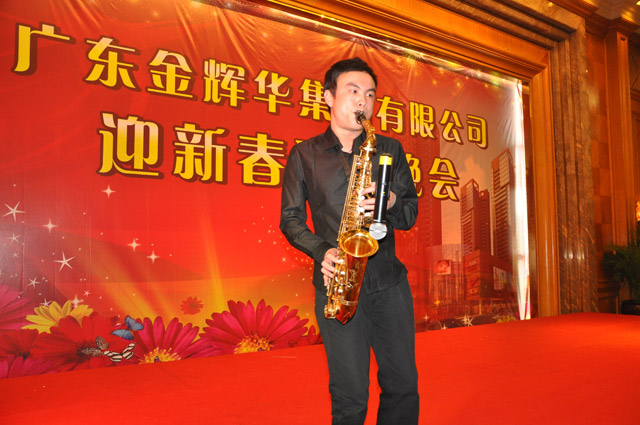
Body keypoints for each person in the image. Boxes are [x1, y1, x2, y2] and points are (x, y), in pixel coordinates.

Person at [280, 57, 419, 424]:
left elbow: (409, 213)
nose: (363, 101)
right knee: (350, 394)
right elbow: (290, 220)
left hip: (390, 284)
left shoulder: (389, 149)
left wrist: (390, 200)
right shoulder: (304, 154)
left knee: (403, 385)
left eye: (370, 95)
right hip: (337, 284)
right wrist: (321, 250)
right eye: (353, 91)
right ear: (328, 97)